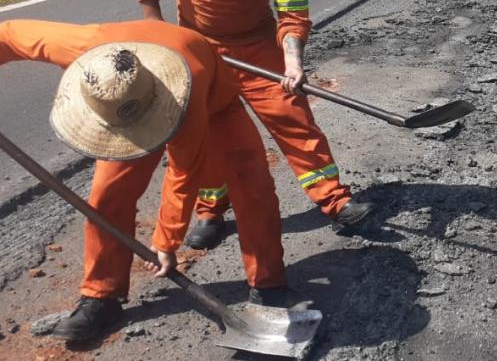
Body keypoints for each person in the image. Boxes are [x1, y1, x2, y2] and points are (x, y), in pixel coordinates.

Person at [127, 0, 373, 249]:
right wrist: (155, 25)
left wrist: (293, 61)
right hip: (197, 46)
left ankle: (335, 200)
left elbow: (292, 11)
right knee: (205, 133)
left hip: (257, 46)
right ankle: (212, 211)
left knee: (293, 116)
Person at [0, 19, 291, 342]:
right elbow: (8, 34)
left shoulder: (188, 89)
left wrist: (166, 243)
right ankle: (101, 296)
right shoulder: (88, 49)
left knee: (251, 183)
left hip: (213, 103)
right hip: (126, 118)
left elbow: (183, 173)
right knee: (108, 195)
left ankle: (268, 283)